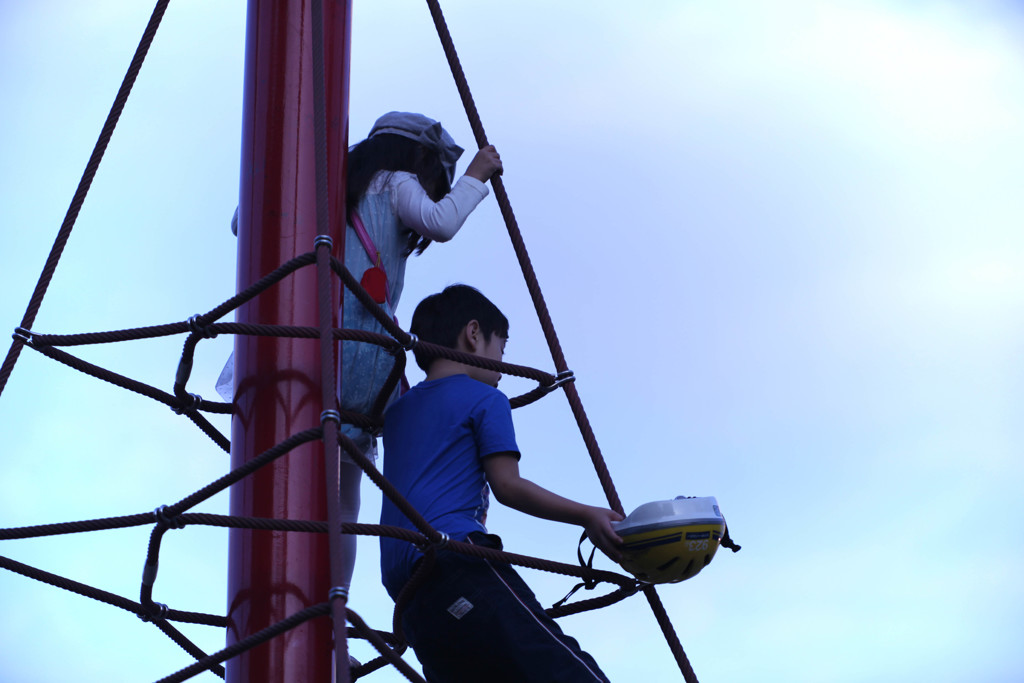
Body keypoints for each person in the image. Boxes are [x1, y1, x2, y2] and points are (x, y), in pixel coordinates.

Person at [380, 284, 622, 682]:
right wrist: (586, 515)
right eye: (501, 350)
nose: (501, 365)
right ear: (473, 334)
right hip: (455, 557)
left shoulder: (398, 412)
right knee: (566, 670)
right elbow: (508, 487)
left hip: (407, 594)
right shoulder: (485, 398)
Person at [336, 113, 503, 593]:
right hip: (365, 360)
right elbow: (440, 222)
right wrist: (475, 176)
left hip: (315, 344)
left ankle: (322, 616)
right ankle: (335, 613)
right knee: (346, 509)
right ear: (418, 158)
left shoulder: (331, 184)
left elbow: (243, 221)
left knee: (314, 494)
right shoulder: (396, 182)